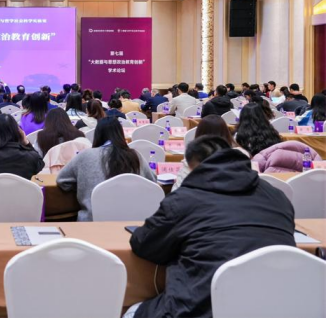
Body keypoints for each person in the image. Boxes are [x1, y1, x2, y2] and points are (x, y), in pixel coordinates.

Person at [125, 136, 295, 318]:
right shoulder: (278, 197)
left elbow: (144, 244)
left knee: (130, 311)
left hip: (196, 309)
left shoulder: (184, 199)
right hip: (274, 307)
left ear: (192, 166)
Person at [57, 117, 155, 221]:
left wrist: (83, 186)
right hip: (133, 222)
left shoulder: (85, 156)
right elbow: (152, 181)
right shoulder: (135, 156)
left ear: (97, 134)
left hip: (91, 223)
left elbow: (62, 180)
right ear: (120, 134)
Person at [172, 114, 246, 190]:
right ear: (226, 133)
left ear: (199, 134)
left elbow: (177, 190)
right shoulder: (238, 157)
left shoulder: (191, 161)